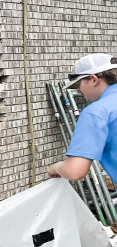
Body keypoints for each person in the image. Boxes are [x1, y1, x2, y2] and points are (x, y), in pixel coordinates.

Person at [48, 53, 117, 182]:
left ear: (93, 79)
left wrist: (55, 167)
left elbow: (75, 171)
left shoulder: (96, 112)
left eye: (78, 85)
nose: (78, 91)